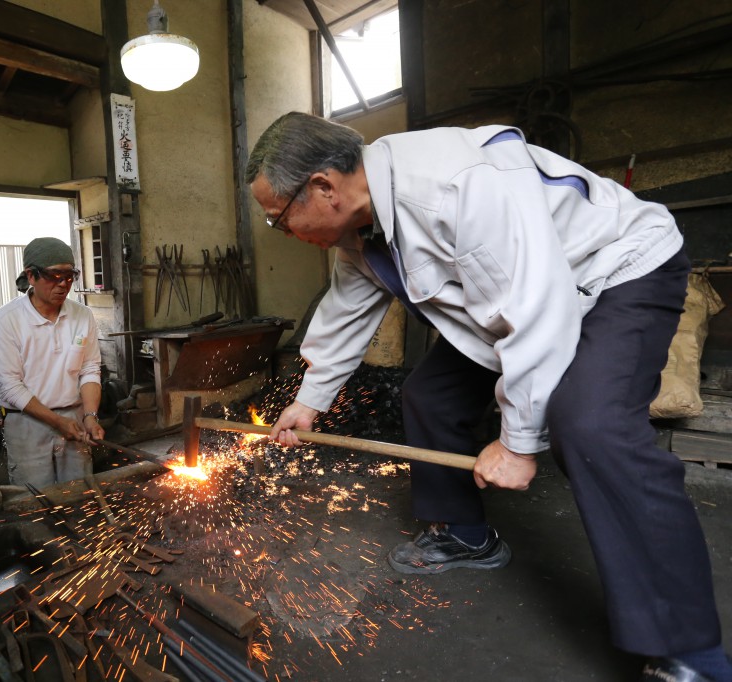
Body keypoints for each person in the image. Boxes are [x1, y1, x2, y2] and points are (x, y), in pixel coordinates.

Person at [247, 112, 730, 682]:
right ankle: (465, 534)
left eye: (280, 219)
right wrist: (311, 400)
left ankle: (689, 651)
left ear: (324, 186)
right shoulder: (360, 229)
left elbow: (536, 310)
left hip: (617, 270)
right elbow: (348, 309)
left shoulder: (456, 185)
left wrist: (519, 443)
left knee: (592, 426)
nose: (285, 231)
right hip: (519, 299)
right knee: (429, 395)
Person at [0, 237, 105, 488]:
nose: (63, 285)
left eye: (69, 276)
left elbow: (89, 369)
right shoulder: (6, 320)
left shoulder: (82, 316)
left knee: (79, 495)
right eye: (54, 276)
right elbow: (9, 385)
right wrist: (57, 422)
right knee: (35, 500)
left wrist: (90, 416)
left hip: (75, 416)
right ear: (31, 275)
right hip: (27, 423)